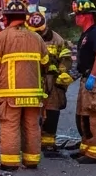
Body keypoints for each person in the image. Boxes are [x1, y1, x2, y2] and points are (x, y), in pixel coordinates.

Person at [0, 0, 49, 170]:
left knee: (10, 126)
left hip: (10, 93)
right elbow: (46, 63)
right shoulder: (37, 38)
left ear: (7, 18)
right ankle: (32, 160)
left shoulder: (3, 37)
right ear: (25, 18)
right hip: (33, 94)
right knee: (32, 126)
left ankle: (10, 162)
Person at [27, 11, 74, 156]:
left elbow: (65, 57)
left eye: (40, 31)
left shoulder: (56, 39)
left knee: (52, 109)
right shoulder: (27, 38)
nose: (38, 35)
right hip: (32, 80)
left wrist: (62, 72)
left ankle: (48, 142)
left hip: (51, 81)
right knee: (31, 111)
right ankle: (31, 141)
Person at [71, 0, 96, 164]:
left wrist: (93, 76)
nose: (76, 18)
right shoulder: (86, 34)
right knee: (84, 115)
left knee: (95, 115)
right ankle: (86, 148)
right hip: (87, 78)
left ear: (87, 15)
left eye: (78, 15)